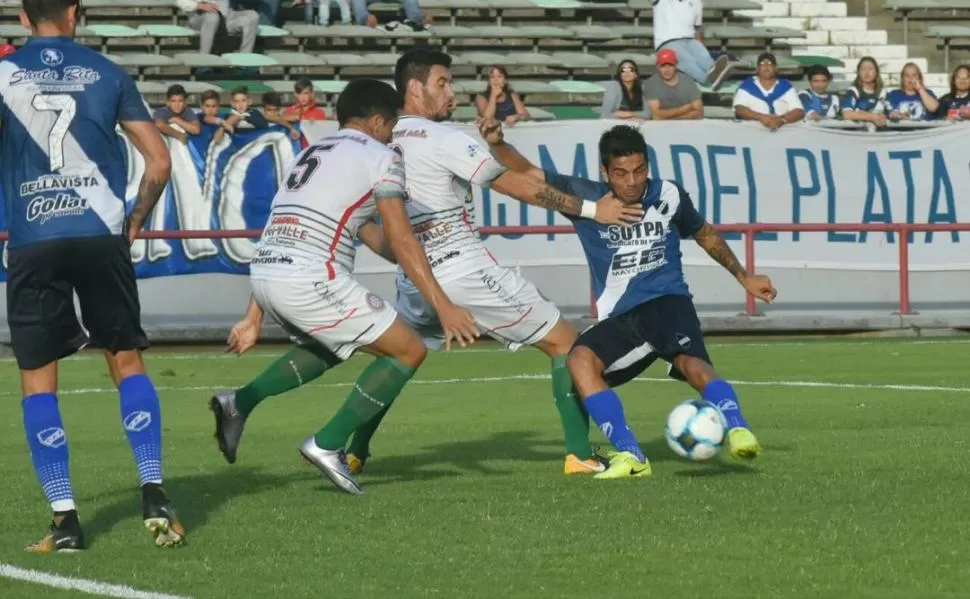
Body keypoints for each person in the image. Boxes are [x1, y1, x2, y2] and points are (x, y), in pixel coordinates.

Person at [212, 49, 645, 479]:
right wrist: (592, 210)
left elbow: (376, 232)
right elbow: (515, 185)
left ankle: (355, 449)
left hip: (408, 277)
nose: (451, 92)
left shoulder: (362, 144)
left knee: (393, 353)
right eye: (443, 82)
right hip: (461, 272)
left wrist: (254, 312)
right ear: (414, 88)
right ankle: (579, 454)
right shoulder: (440, 139)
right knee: (564, 343)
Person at [213, 79, 478, 495]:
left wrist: (253, 315)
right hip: (309, 278)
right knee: (408, 350)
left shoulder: (313, 151)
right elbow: (402, 237)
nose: (393, 135)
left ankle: (238, 403)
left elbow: (365, 233)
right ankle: (328, 444)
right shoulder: (381, 155)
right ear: (377, 121)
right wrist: (443, 305)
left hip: (267, 272)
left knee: (331, 346)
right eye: (391, 126)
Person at [479, 122, 777, 478]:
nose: (632, 181)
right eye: (621, 173)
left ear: (647, 166)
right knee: (600, 361)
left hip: (668, 301)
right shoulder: (586, 198)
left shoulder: (668, 194)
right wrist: (498, 143)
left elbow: (704, 233)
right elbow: (526, 172)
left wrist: (744, 276)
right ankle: (663, 445)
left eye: (639, 171)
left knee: (665, 363)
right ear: (605, 172)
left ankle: (717, 433)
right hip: (623, 318)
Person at [0, 0, 181, 551]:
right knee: (125, 361)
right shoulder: (109, 73)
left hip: (33, 237)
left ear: (23, 19)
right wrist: (134, 220)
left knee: (38, 382)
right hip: (101, 234)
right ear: (75, 13)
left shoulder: (4, 75)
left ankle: (66, 520)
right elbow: (157, 162)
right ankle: (152, 490)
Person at [640, 0, 732, 90]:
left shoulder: (695, 0)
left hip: (690, 39)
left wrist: (700, 46)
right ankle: (708, 80)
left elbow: (697, 28)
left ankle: (716, 75)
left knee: (704, 57)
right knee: (687, 61)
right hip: (667, 41)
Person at [732, 52, 804, 130]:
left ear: (776, 68)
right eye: (762, 64)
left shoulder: (786, 86)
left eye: (770, 64)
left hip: (782, 132)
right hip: (753, 133)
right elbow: (740, 109)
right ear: (757, 69)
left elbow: (799, 111)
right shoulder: (747, 86)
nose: (766, 66)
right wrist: (762, 117)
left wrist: (781, 120)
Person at [643, 49, 703, 120]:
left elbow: (699, 113)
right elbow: (656, 115)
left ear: (676, 65)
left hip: (686, 125)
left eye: (670, 65)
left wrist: (674, 117)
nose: (667, 69)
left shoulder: (688, 81)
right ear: (657, 66)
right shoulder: (650, 84)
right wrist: (684, 109)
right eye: (663, 65)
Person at [840, 56, 888, 129]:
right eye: (863, 69)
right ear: (858, 72)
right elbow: (847, 114)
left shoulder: (883, 93)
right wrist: (873, 117)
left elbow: (891, 112)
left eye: (870, 69)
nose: (867, 72)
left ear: (876, 72)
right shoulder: (853, 91)